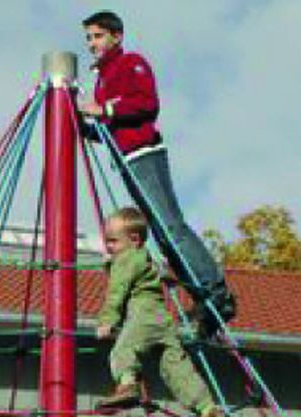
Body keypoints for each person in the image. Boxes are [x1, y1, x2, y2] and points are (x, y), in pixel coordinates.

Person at [77, 10, 237, 337]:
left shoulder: (131, 63)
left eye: (97, 36)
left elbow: (146, 103)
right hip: (127, 156)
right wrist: (84, 126)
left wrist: (103, 109)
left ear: (116, 36)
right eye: (89, 38)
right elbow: (111, 127)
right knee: (163, 236)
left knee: (169, 225)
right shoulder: (102, 78)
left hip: (144, 154)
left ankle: (216, 292)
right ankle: (201, 297)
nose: (92, 44)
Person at [93, 207, 227, 417]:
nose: (109, 247)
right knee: (176, 368)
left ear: (134, 239)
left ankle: (127, 385)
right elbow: (152, 276)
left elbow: (117, 291)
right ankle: (207, 408)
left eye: (112, 241)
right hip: (163, 321)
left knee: (123, 350)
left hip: (142, 317)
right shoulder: (146, 258)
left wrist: (107, 321)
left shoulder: (126, 258)